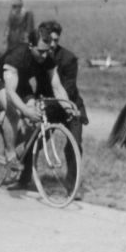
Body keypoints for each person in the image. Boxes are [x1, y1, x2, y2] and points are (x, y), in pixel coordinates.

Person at [0, 24, 77, 169]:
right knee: (13, 111)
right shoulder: (18, 55)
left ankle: (14, 142)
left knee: (32, 119)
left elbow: (57, 87)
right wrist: (25, 111)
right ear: (31, 46)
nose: (44, 56)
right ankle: (10, 155)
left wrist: (67, 106)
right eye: (40, 52)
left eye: (47, 52)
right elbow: (10, 92)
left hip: (20, 83)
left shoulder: (47, 58)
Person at [36, 20, 88, 153]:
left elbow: (68, 90)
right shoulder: (36, 56)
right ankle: (25, 172)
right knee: (34, 143)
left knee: (74, 145)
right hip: (48, 108)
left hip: (68, 105)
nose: (52, 44)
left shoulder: (68, 59)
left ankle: (73, 174)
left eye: (56, 40)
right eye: (49, 40)